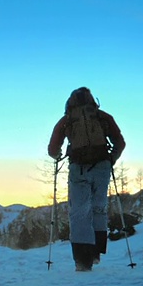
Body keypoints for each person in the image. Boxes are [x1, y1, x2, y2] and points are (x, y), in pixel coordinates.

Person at [47, 87, 126, 271]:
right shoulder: (101, 116)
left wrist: (57, 155)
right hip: (102, 168)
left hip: (78, 169)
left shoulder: (67, 119)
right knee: (98, 208)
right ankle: (96, 252)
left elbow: (52, 149)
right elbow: (120, 143)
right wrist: (111, 158)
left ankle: (83, 261)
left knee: (80, 212)